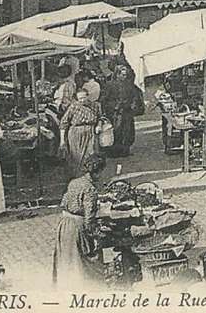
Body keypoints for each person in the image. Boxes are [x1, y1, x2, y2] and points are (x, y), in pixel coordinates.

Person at [53, 153, 105, 286]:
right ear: (97, 172)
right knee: (85, 262)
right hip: (77, 226)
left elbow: (63, 202)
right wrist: (97, 235)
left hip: (64, 224)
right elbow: (89, 219)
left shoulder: (73, 182)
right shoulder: (90, 189)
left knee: (66, 259)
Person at [100, 65, 142, 157]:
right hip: (114, 113)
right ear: (117, 74)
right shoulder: (109, 85)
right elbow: (104, 99)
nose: (124, 77)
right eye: (122, 75)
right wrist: (113, 106)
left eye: (125, 75)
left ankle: (125, 150)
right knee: (115, 132)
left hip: (127, 113)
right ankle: (114, 152)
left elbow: (135, 97)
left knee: (127, 132)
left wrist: (132, 106)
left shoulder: (130, 85)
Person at [60, 89, 100, 178]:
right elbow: (63, 123)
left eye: (84, 97)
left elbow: (100, 117)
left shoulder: (95, 106)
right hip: (76, 133)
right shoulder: (73, 107)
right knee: (76, 157)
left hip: (90, 132)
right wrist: (62, 140)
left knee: (91, 154)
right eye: (80, 98)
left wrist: (98, 125)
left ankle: (90, 175)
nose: (82, 100)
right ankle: (77, 178)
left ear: (88, 96)